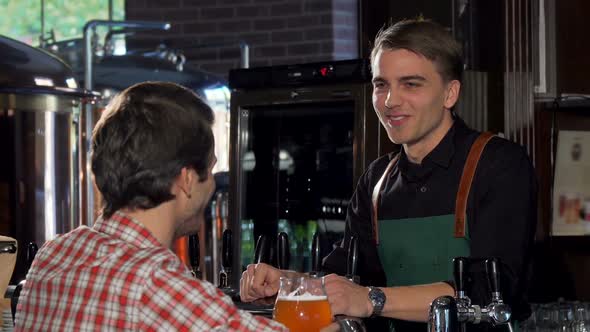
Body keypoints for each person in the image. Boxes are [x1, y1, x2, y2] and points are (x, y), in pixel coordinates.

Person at [240, 19, 537, 331]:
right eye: (381, 84)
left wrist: (371, 299)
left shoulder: (499, 163)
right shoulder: (378, 179)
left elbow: (492, 292)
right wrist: (287, 281)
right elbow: (346, 277)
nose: (390, 101)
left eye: (411, 84)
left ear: (450, 94)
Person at [14, 82, 288, 331]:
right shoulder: (154, 284)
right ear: (188, 179)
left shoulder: (54, 256)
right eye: (211, 169)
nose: (213, 185)